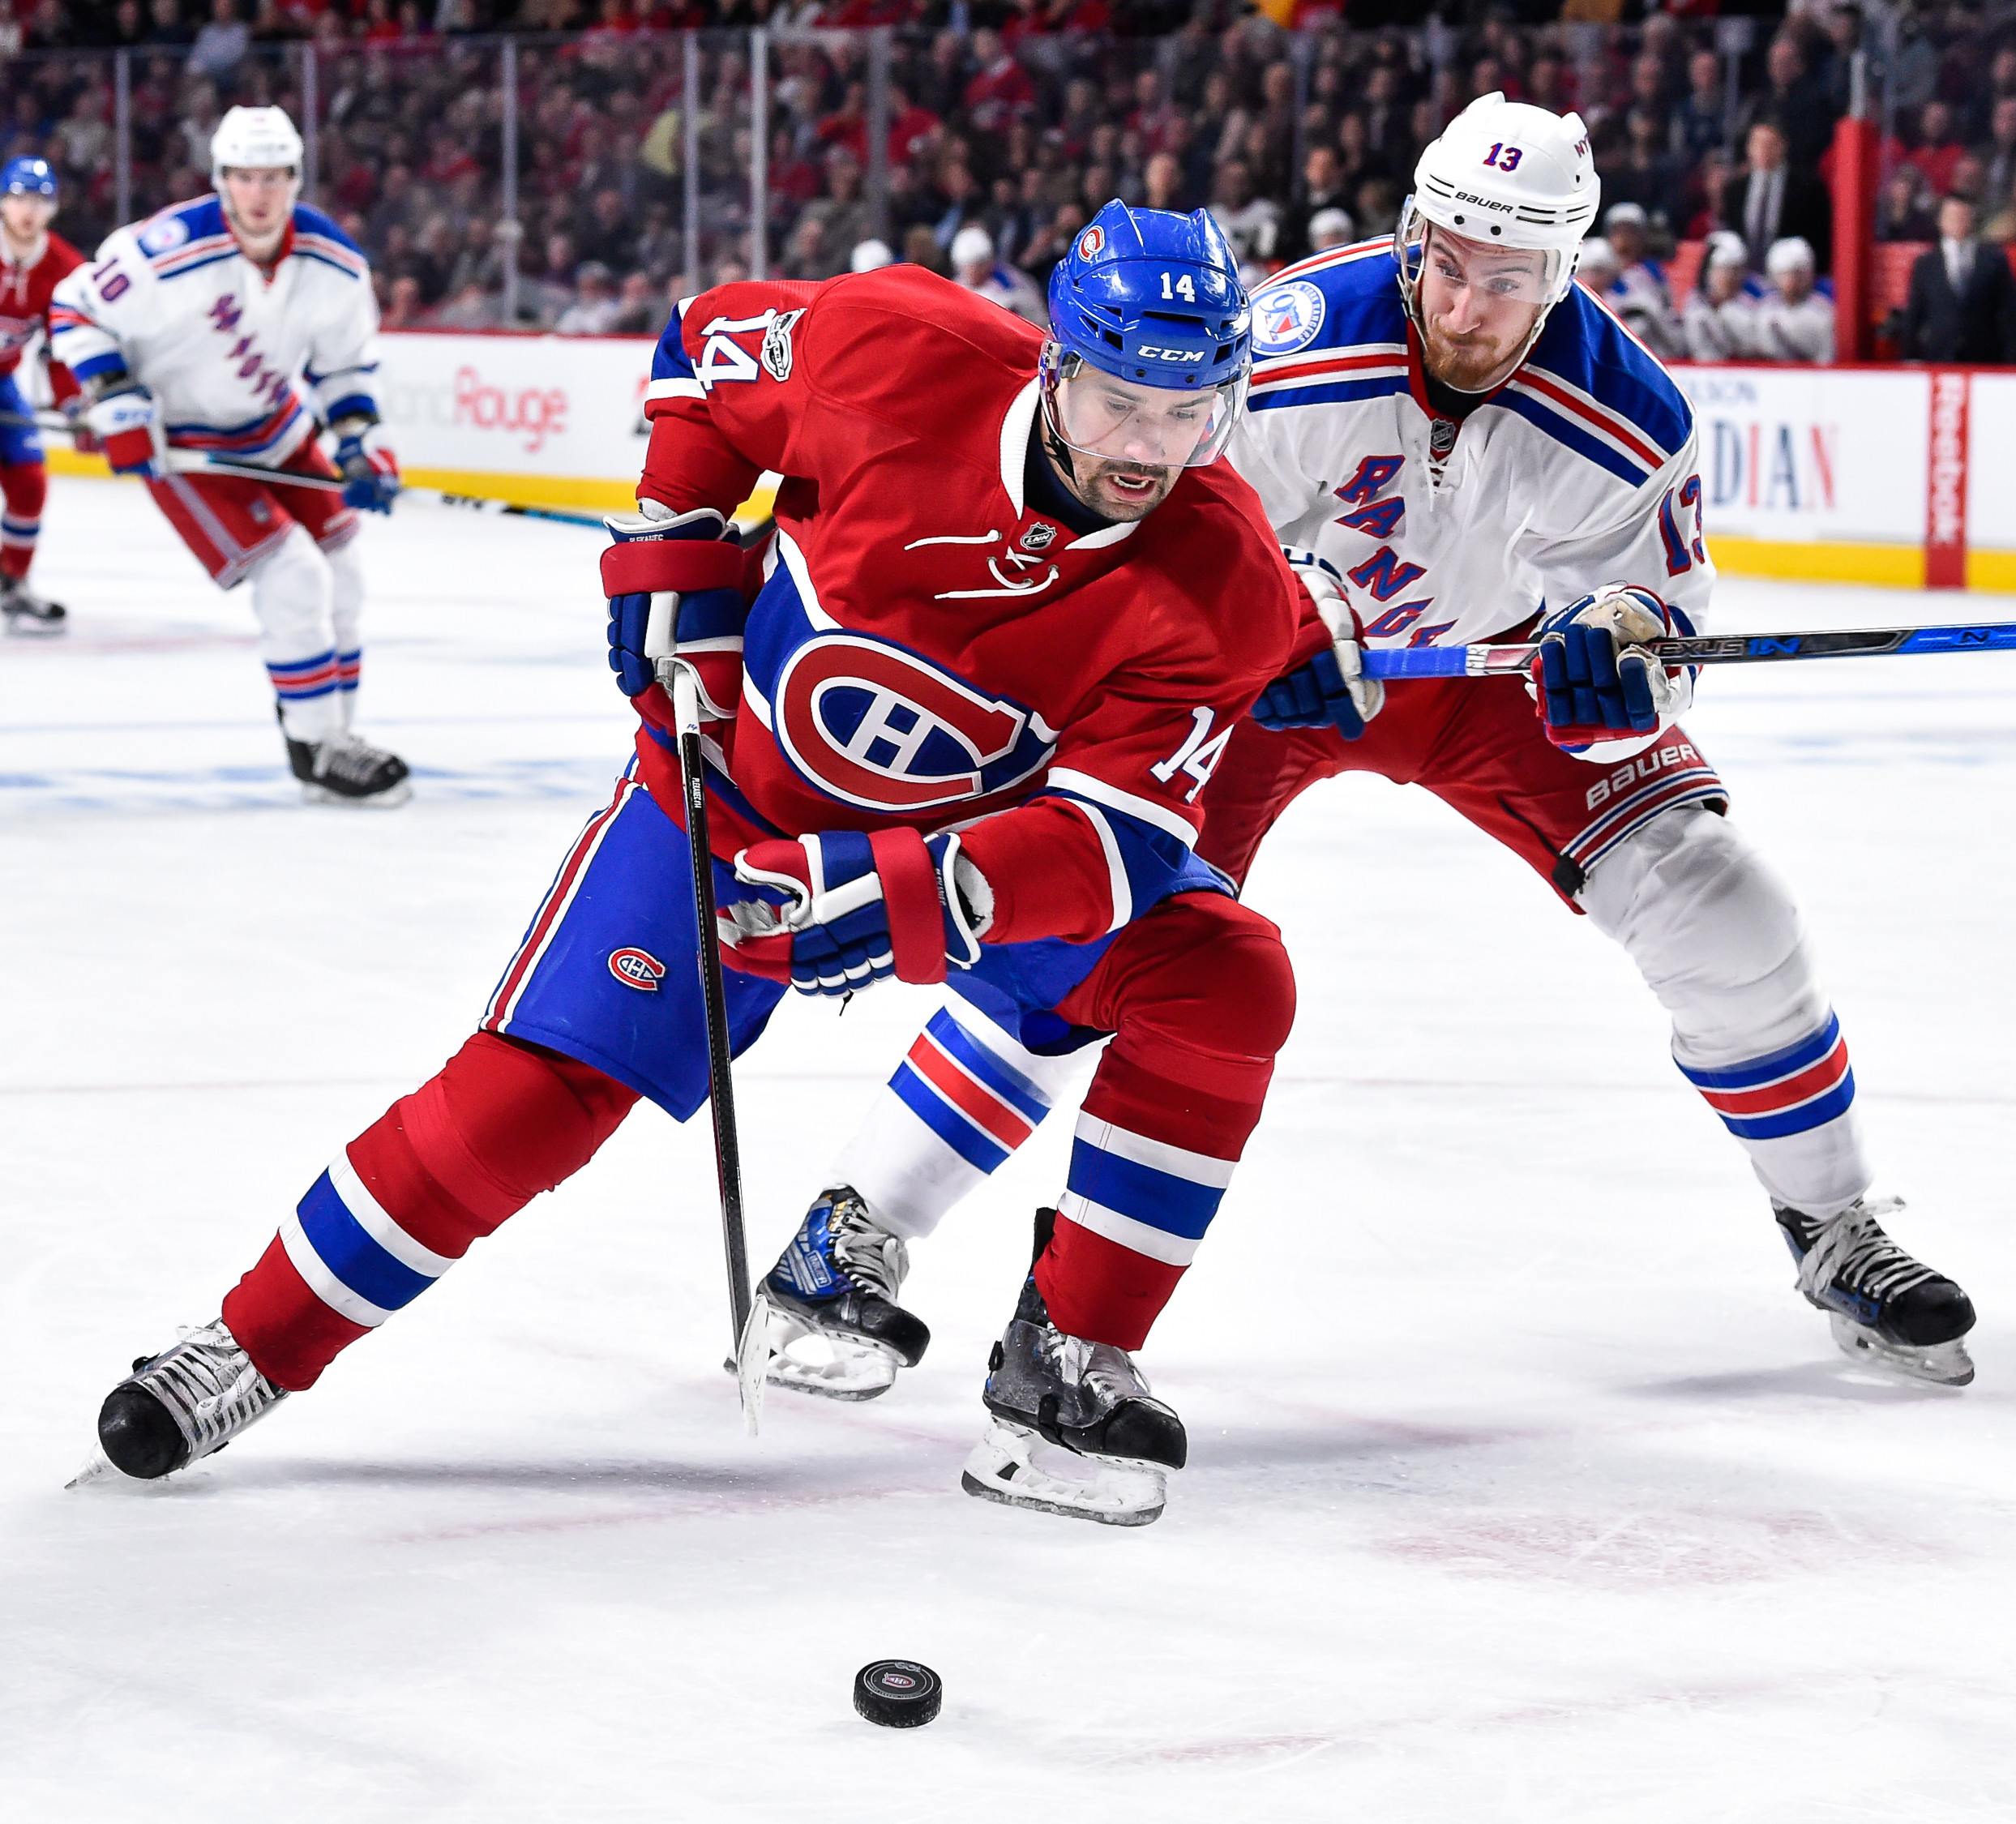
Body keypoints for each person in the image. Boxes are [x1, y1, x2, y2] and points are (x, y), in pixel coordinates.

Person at [83, 203, 1321, 1531]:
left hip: (964, 856)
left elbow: (1114, 839)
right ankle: (249, 1343)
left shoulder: (1227, 581)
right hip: (723, 810)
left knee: (1224, 977)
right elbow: (700, 354)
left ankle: (1071, 1353)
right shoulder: (892, 348)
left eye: (1186, 414)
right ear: (1056, 364)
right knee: (525, 1102)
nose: (1147, 449)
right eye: (1121, 401)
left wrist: (916, 891)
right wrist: (675, 542)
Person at [781, 93, 1980, 1411]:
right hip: (1268, 674)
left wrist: (1621, 650)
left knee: (1722, 903)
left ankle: (1836, 1222)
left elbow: (1667, 626)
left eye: (1506, 279)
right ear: (1414, 234)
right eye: (1447, 261)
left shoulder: (1633, 412)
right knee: (1093, 926)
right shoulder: (1294, 341)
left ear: (1563, 272)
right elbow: (1156, 520)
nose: (1464, 306)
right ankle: (855, 1224)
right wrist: (1272, 618)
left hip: (1491, 681)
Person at [47, 107, 409, 804]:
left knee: (343, 568)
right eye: (244, 177)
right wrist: (113, 391)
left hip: (276, 428)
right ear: (221, 179)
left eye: (272, 177)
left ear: (295, 179)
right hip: (184, 444)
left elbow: (345, 368)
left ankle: (337, 736)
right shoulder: (168, 250)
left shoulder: (332, 261)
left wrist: (361, 443)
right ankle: (314, 749)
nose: (259, 193)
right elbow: (75, 308)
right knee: (294, 575)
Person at [0, 155, 82, 635]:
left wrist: (76, 405)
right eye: (18, 198)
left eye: (40, 200)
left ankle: (12, 584)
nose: (28, 209)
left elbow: (64, 348)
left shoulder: (64, 268)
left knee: (30, 482)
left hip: (4, 384)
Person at [1902, 194, 2016, 362]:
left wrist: (2014, 359)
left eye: (1963, 216)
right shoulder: (1925, 265)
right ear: (1940, 221)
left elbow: (2008, 314)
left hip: (1984, 358)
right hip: (1939, 359)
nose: (1957, 221)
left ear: (1972, 219)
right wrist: (1909, 358)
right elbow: (1914, 315)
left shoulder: (1994, 261)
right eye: (1952, 216)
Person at [1723, 120, 1832, 271]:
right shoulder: (1735, 190)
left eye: (1770, 144)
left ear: (1783, 146)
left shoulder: (1807, 188)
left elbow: (1820, 239)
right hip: (1745, 278)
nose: (1763, 150)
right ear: (1749, 148)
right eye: (1758, 143)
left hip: (1791, 277)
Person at [1599, 201, 1684, 359]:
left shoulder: (1652, 271)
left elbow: (1664, 309)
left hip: (1652, 340)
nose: (1624, 238)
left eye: (1631, 232)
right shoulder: (1599, 267)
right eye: (1619, 231)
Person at [1683, 229, 1764, 360]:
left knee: (1730, 313)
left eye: (1733, 270)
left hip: (1751, 363)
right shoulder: (1698, 297)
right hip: (1708, 364)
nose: (1729, 276)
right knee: (1699, 316)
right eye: (1721, 270)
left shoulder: (1756, 292)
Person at [1754, 234, 1834, 362]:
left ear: (1809, 274)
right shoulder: (1764, 310)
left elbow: (1828, 357)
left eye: (1797, 274)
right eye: (1784, 274)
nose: (1791, 281)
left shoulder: (1824, 312)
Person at [948, 223, 1047, 326]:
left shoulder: (1011, 281)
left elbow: (1037, 316)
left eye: (978, 266)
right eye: (967, 267)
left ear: (988, 262)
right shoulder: (957, 286)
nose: (973, 272)